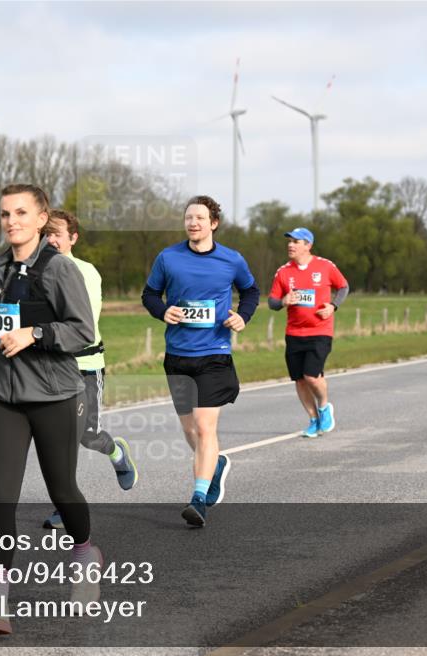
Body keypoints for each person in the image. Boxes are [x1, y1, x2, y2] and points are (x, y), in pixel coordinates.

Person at [0, 184, 100, 635]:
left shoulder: (60, 269)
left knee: (63, 490)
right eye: (5, 214)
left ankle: (85, 556)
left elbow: (83, 331)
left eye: (21, 213)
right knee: (1, 496)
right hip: (1, 396)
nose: (11, 221)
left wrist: (35, 334)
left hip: (54, 396)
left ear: (41, 219)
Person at [141, 195, 260, 528]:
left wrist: (243, 316)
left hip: (214, 354)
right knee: (189, 430)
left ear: (213, 223)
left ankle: (198, 499)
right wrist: (162, 310)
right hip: (177, 355)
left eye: (200, 218)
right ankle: (215, 464)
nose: (193, 223)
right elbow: (149, 294)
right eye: (188, 218)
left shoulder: (231, 259)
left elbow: (251, 291)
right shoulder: (168, 257)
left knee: (205, 427)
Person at [40, 209, 138, 531]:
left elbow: (84, 325)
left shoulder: (86, 272)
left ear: (73, 238)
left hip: (85, 366)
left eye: (57, 234)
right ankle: (64, 506)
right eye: (47, 234)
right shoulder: (33, 271)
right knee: (58, 440)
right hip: (51, 369)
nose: (51, 240)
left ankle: (117, 453)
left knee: (87, 436)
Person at [268, 227, 349, 438]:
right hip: (294, 332)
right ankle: (313, 420)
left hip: (320, 330)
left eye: (296, 241)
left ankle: (324, 406)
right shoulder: (283, 272)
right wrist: (283, 301)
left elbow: (343, 287)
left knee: (311, 375)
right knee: (300, 380)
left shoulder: (325, 266)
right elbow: (272, 302)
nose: (290, 245)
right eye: (289, 241)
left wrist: (333, 306)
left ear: (308, 245)